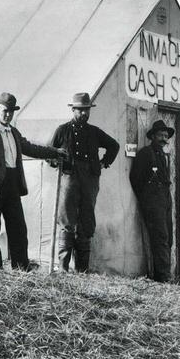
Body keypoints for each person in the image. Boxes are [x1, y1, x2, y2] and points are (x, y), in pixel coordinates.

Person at [0, 92, 66, 270]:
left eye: (11, 111)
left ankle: (21, 268)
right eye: (4, 111)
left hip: (12, 185)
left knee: (18, 229)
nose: (7, 114)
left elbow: (30, 148)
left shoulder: (14, 132)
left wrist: (55, 152)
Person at [49, 92, 120, 273]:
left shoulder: (94, 132)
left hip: (90, 179)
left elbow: (114, 145)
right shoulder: (62, 130)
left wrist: (105, 162)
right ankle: (64, 268)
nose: (83, 114)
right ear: (73, 110)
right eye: (80, 110)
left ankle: (82, 270)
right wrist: (54, 161)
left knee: (87, 220)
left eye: (86, 110)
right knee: (66, 219)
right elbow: (49, 151)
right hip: (69, 178)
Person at [130, 120, 176, 282]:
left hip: (165, 199)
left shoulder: (164, 155)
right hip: (153, 202)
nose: (164, 138)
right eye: (160, 135)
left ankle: (162, 274)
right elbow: (135, 179)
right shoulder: (145, 154)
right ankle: (163, 277)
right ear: (153, 137)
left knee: (168, 236)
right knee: (160, 237)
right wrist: (146, 198)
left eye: (165, 136)